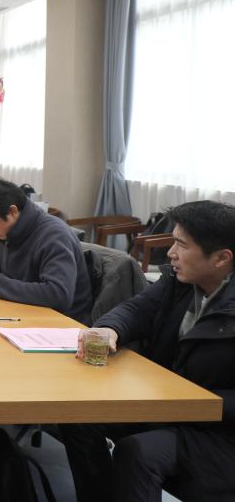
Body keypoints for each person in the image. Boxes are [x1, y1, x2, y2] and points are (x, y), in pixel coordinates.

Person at [59, 200, 235, 502]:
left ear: (221, 258)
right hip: (167, 407)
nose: (170, 253)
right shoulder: (179, 282)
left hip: (217, 430)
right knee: (79, 415)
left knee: (138, 451)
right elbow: (137, 309)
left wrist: (193, 402)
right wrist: (110, 329)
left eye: (181, 245)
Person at [0, 176, 92, 323]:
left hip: (60, 324)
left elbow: (58, 295)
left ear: (13, 211)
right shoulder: (9, 230)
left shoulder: (54, 236)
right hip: (22, 313)